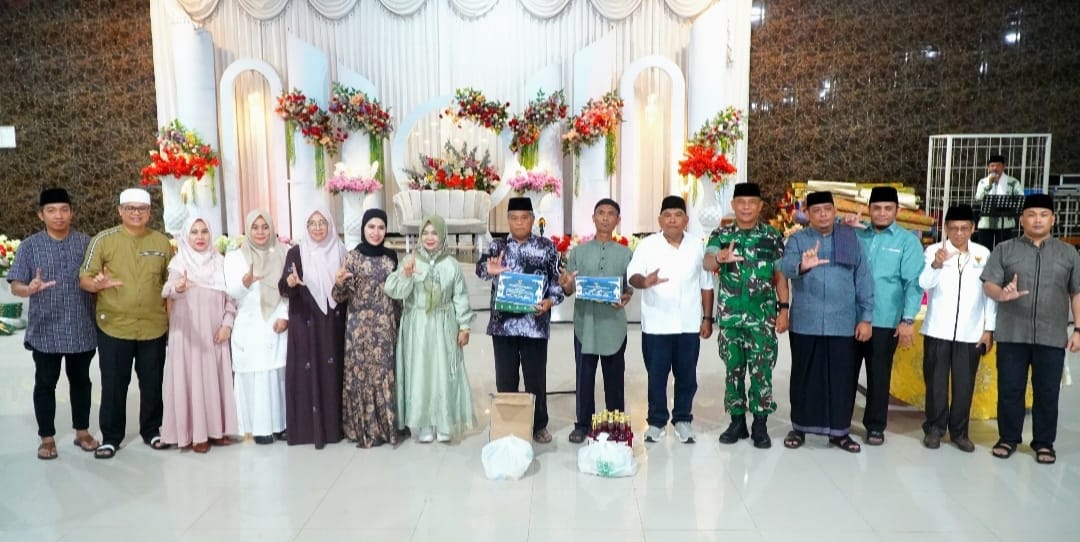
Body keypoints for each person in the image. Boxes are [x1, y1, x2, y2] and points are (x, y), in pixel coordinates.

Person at [981, 193, 1080, 465]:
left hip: (1051, 335)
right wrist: (1001, 294)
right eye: (1032, 214)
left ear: (1053, 219)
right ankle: (1008, 438)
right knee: (1010, 389)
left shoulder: (1068, 253)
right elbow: (988, 284)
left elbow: (1076, 292)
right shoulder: (1005, 249)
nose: (1038, 220)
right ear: (1021, 219)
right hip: (1012, 332)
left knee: (1047, 392)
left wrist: (1078, 329)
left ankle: (1044, 443)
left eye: (1044, 215)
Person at [777, 191, 873, 453]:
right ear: (807, 214)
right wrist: (802, 265)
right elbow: (785, 267)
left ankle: (840, 432)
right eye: (816, 210)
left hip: (842, 321)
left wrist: (866, 317)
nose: (822, 215)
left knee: (841, 378)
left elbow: (863, 278)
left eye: (827, 209)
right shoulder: (798, 239)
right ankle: (799, 428)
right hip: (806, 321)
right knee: (804, 376)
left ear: (834, 211)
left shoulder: (849, 238)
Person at [79, 188, 172, 459]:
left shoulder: (161, 242)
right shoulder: (103, 240)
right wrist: (97, 284)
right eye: (130, 208)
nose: (136, 213)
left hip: (153, 326)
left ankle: (152, 431)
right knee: (114, 384)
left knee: (153, 383)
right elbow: (85, 279)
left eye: (141, 208)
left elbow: (170, 282)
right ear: (120, 211)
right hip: (115, 326)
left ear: (149, 212)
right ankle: (111, 437)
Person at [7, 188, 98, 460]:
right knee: (45, 383)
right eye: (51, 210)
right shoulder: (29, 246)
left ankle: (82, 431)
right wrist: (29, 289)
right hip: (45, 329)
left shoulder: (86, 243)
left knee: (81, 382)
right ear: (41, 215)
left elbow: (96, 277)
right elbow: (15, 286)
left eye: (64, 209)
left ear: (71, 212)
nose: (58, 216)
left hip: (81, 326)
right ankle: (46, 438)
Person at [704, 183, 789, 449]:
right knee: (734, 370)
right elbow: (707, 262)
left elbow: (780, 276)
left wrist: (784, 309)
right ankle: (737, 422)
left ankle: (760, 424)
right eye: (741, 202)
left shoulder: (772, 236)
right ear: (733, 205)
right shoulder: (721, 234)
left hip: (762, 318)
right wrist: (720, 257)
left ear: (760, 206)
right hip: (731, 318)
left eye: (752, 202)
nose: (746, 207)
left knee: (762, 371)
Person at [475, 197, 564, 443]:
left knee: (536, 378)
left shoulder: (546, 247)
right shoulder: (497, 246)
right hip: (503, 326)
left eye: (524, 218)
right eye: (514, 218)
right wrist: (489, 270)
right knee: (505, 379)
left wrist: (550, 301)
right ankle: (508, 426)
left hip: (535, 326)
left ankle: (538, 425)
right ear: (508, 220)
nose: (519, 223)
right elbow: (480, 269)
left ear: (532, 220)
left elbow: (557, 281)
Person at [627, 195, 714, 444]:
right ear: (660, 220)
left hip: (688, 323)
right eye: (667, 215)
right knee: (657, 376)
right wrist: (644, 282)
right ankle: (656, 422)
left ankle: (683, 419)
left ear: (686, 220)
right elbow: (632, 275)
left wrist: (707, 318)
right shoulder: (648, 246)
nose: (672, 220)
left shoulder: (697, 245)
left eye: (678, 215)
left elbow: (706, 285)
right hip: (657, 324)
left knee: (687, 376)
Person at [387, 216, 476, 443]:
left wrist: (464, 326)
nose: (429, 237)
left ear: (443, 235)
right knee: (421, 371)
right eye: (425, 233)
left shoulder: (452, 264)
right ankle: (424, 422)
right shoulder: (410, 260)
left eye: (434, 233)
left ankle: (444, 422)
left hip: (444, 323)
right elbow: (394, 290)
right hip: (418, 324)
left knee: (444, 370)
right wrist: (406, 274)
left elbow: (460, 296)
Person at [847, 186, 924, 446]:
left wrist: (907, 319)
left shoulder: (907, 242)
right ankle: (841, 421)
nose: (882, 213)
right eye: (877, 208)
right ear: (869, 209)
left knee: (878, 376)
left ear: (897, 210)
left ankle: (875, 426)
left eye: (888, 208)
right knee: (846, 373)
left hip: (885, 319)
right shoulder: (857, 234)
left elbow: (913, 284)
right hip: (851, 318)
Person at [918, 204, 995, 452]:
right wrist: (936, 265)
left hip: (970, 332)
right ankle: (934, 429)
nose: (959, 233)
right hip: (937, 330)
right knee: (936, 384)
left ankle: (960, 432)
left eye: (964, 228)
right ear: (945, 228)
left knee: (964, 385)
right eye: (953, 228)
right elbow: (923, 284)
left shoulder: (983, 254)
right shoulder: (933, 251)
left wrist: (989, 329)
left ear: (973, 228)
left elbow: (989, 295)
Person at [159, 215, 239, 453]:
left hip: (215, 331)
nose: (200, 237)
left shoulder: (221, 262)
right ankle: (195, 435)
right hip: (188, 333)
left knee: (215, 378)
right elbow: (167, 290)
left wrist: (227, 324)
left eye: (204, 231)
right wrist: (177, 287)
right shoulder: (179, 262)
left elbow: (232, 298)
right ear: (186, 236)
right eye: (194, 232)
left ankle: (217, 430)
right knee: (191, 378)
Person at [558, 198, 634, 444]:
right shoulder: (578, 252)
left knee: (615, 380)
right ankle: (582, 425)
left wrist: (626, 296)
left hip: (613, 325)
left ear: (617, 220)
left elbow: (628, 288)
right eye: (600, 213)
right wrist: (566, 285)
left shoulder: (626, 254)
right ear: (593, 218)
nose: (605, 217)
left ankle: (615, 427)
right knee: (584, 377)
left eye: (611, 214)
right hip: (586, 324)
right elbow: (569, 288)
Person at [331, 209, 402, 448]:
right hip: (358, 330)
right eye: (371, 227)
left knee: (384, 375)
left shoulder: (391, 257)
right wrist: (338, 283)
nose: (376, 232)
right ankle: (364, 429)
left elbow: (397, 294)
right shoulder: (353, 257)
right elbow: (340, 297)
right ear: (363, 228)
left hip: (384, 327)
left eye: (381, 227)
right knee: (360, 377)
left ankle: (385, 427)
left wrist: (399, 323)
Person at [278, 206, 347, 449]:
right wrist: (290, 283)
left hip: (332, 322)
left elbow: (347, 289)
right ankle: (307, 430)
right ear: (306, 227)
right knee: (306, 373)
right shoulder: (296, 252)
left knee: (331, 373)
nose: (318, 228)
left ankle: (332, 429)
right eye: (312, 223)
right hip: (305, 320)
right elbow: (283, 287)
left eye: (322, 223)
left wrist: (341, 284)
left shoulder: (340, 250)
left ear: (330, 225)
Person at [223, 210, 289, 445]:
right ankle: (258, 428)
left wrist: (285, 317)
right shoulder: (235, 257)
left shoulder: (284, 252)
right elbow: (231, 292)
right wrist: (245, 282)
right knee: (255, 376)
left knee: (276, 376)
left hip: (275, 322)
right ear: (247, 230)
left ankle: (280, 425)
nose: (260, 232)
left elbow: (288, 292)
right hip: (249, 324)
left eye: (265, 227)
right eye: (255, 227)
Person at [974, 154, 1023, 231]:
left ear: (1004, 167)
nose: (995, 168)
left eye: (998, 165)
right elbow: (978, 197)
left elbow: (1020, 198)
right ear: (988, 168)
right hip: (986, 224)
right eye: (992, 166)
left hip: (1006, 224)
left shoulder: (1013, 182)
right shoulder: (983, 182)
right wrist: (989, 184)